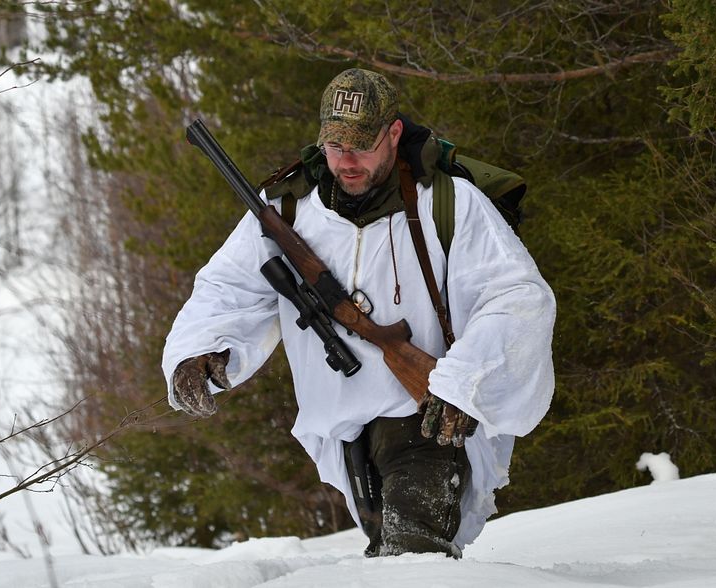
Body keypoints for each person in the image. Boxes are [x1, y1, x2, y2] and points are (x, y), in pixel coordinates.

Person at [162, 68, 555, 558]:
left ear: (393, 134)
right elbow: (227, 289)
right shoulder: (287, 208)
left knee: (412, 557)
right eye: (334, 145)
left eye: (361, 145)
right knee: (388, 554)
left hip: (426, 418)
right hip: (342, 425)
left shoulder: (449, 203)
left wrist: (465, 384)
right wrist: (196, 353)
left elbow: (516, 298)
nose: (346, 161)